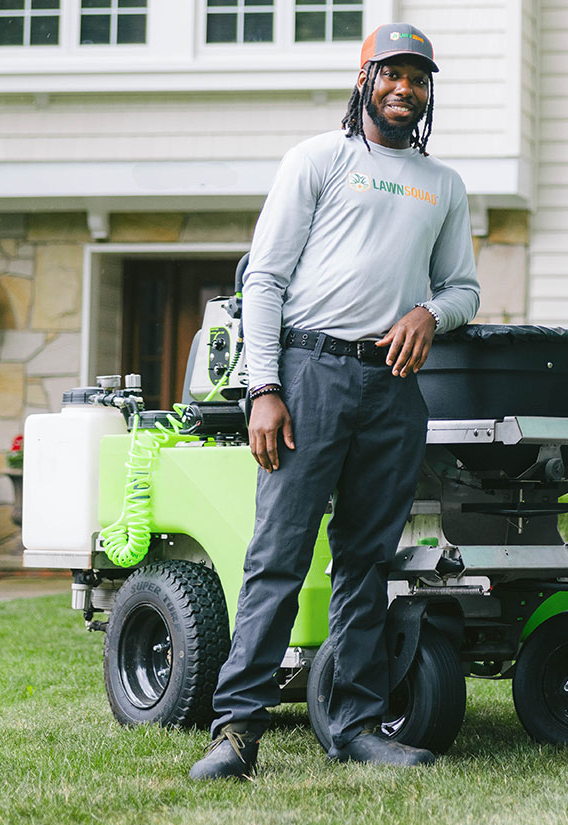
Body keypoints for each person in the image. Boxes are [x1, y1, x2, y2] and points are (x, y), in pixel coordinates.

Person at [189, 22, 480, 781]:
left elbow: (463, 288)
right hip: (308, 372)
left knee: (366, 561)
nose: (404, 88)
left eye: (418, 78)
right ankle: (236, 730)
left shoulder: (442, 184)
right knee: (277, 556)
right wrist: (264, 387)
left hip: (392, 386)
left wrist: (429, 314)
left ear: (426, 93)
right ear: (365, 78)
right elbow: (265, 279)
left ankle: (353, 724)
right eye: (391, 73)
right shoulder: (318, 159)